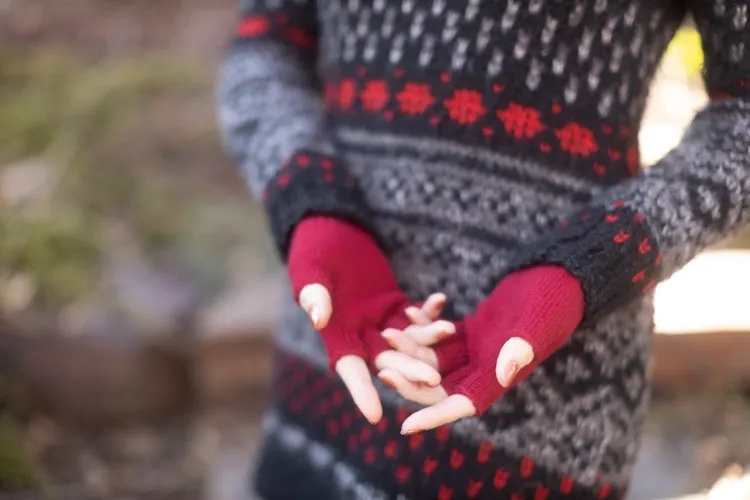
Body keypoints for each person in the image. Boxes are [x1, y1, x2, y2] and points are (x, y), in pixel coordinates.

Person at [217, 0, 750, 497]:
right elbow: (266, 44)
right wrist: (309, 199)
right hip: (330, 346)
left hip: (540, 389)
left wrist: (597, 258)